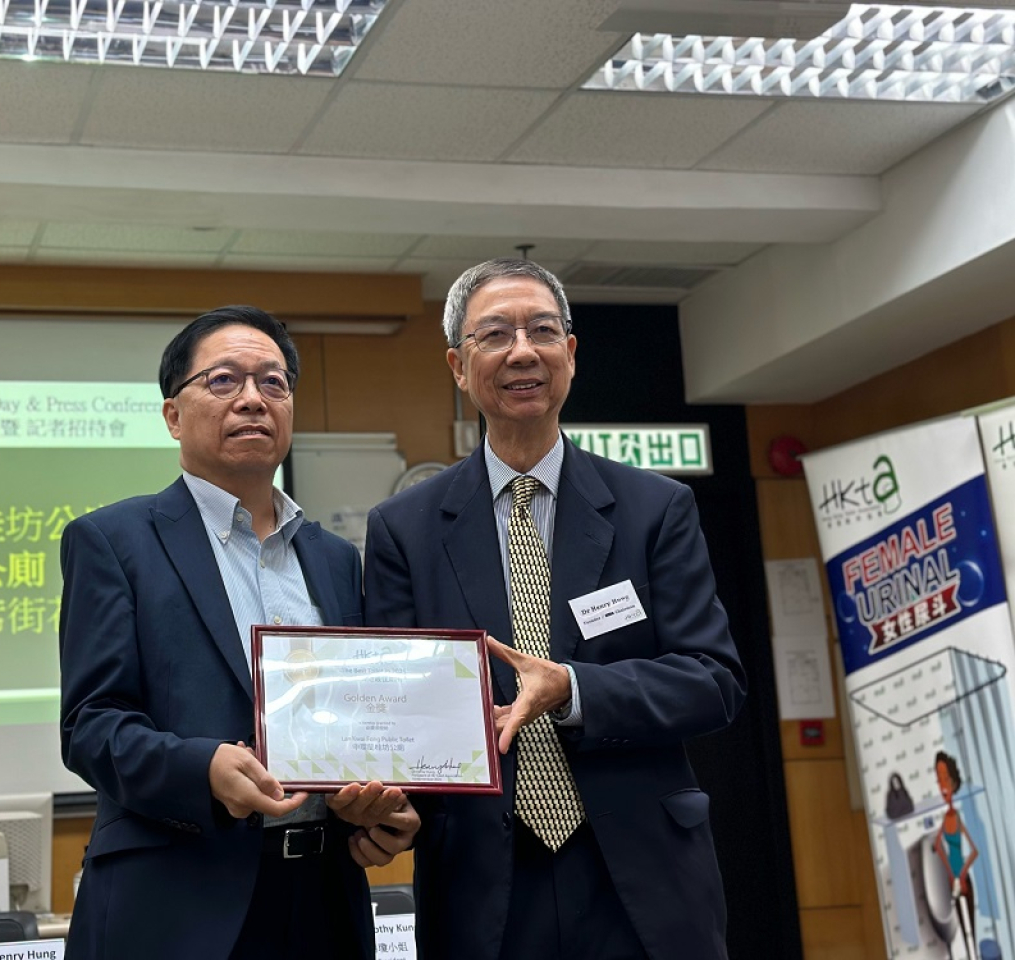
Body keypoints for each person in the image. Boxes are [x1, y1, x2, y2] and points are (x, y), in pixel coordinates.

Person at [363, 259, 747, 960]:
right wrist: (380, 805)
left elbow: (713, 680)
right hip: (483, 879)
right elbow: (397, 712)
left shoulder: (655, 509)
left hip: (641, 871)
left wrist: (573, 689)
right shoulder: (404, 529)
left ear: (569, 354)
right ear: (458, 364)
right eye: (495, 334)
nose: (522, 350)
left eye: (543, 330)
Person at [59, 305, 418, 960]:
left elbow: (360, 720)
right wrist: (203, 767)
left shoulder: (335, 560)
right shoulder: (114, 541)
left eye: (273, 383)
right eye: (224, 380)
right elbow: (90, 727)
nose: (253, 399)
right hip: (177, 902)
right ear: (173, 415)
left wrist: (381, 803)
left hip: (323, 898)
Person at [933, 750, 979, 958]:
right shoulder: (945, 818)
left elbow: (974, 850)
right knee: (960, 927)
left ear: (953, 781)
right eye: (938, 779)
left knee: (972, 930)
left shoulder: (955, 817)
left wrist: (962, 871)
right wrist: (951, 873)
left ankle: (974, 953)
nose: (942, 785)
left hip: (962, 877)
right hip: (953, 878)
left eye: (945, 778)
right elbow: (937, 844)